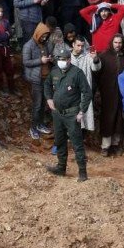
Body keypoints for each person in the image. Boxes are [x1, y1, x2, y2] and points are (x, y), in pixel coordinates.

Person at [44, 44, 92, 182]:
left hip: (72, 114)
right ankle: (61, 168)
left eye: (64, 59)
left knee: (77, 143)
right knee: (59, 141)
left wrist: (82, 111)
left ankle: (82, 172)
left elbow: (87, 93)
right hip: (57, 114)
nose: (62, 61)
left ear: (69, 60)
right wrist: (49, 99)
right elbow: (47, 85)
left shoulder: (77, 73)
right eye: (59, 58)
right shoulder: (54, 71)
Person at [23, 22, 54, 139]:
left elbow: (48, 56)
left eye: (46, 36)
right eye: (43, 36)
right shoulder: (28, 45)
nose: (44, 38)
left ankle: (40, 124)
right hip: (36, 79)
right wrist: (40, 60)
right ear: (37, 34)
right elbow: (26, 62)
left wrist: (50, 59)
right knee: (37, 105)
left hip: (46, 78)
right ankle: (33, 127)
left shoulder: (45, 44)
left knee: (43, 104)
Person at [98, 34, 124, 156]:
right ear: (112, 43)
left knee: (119, 119)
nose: (118, 45)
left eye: (120, 43)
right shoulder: (104, 56)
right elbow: (96, 73)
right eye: (116, 42)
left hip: (122, 93)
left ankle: (116, 144)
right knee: (107, 118)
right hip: (108, 93)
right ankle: (105, 146)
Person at [68, 35, 101, 131]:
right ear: (73, 44)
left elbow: (96, 68)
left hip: (84, 90)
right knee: (71, 115)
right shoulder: (67, 56)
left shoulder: (87, 56)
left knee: (83, 114)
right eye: (78, 45)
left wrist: (95, 59)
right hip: (70, 91)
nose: (80, 48)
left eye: (82, 46)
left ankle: (82, 136)